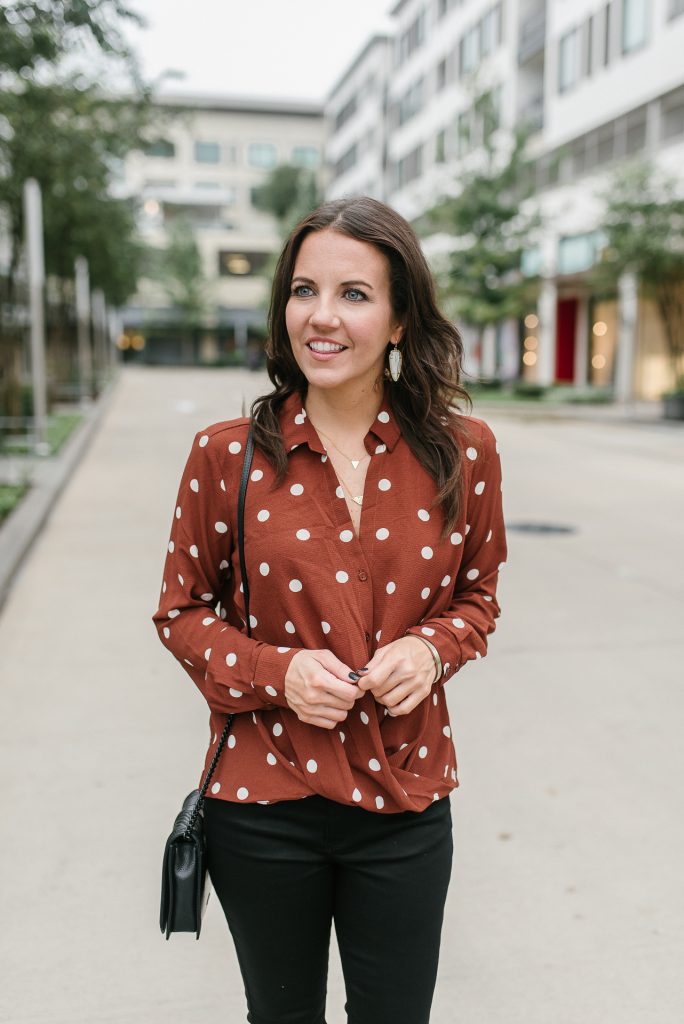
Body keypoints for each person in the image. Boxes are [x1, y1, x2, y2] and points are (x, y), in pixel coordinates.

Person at [153, 196, 507, 1024]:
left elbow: (478, 598)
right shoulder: (225, 454)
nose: (322, 315)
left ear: (399, 319)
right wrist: (277, 672)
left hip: (408, 800)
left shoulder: (464, 451)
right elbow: (181, 611)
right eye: (303, 289)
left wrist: (432, 651)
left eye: (354, 294)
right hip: (262, 805)